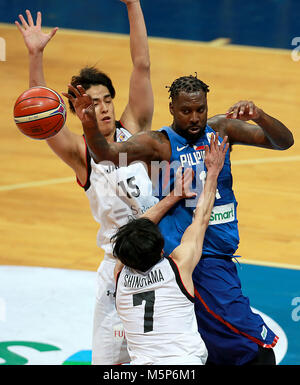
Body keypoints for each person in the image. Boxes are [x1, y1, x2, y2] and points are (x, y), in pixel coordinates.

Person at [65, 74, 294, 365]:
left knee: (208, 340)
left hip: (221, 252)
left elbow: (283, 142)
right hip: (190, 258)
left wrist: (259, 116)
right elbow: (108, 154)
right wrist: (88, 124)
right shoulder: (158, 144)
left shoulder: (221, 129)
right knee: (253, 344)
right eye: (186, 111)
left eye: (201, 109)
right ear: (172, 108)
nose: (195, 117)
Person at [15, 1, 158, 365]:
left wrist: (133, 5)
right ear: (80, 111)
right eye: (93, 103)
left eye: (108, 99)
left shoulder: (135, 131)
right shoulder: (82, 156)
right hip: (116, 273)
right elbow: (41, 116)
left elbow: (141, 64)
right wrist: (35, 56)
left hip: (160, 264)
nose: (105, 108)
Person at [112, 133, 228, 365]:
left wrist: (174, 195)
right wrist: (213, 171)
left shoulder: (119, 276)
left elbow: (134, 230)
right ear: (161, 248)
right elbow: (202, 218)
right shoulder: (178, 267)